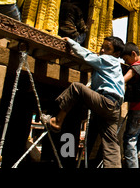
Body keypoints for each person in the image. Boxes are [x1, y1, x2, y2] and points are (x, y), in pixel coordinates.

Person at [41, 36, 125, 168]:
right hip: (114, 107)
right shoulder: (116, 67)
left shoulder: (106, 60)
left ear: (116, 54)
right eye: (102, 47)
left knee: (76, 88)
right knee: (111, 144)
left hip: (106, 101)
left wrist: (71, 42)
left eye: (107, 48)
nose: (102, 50)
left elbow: (86, 55)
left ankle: (57, 122)